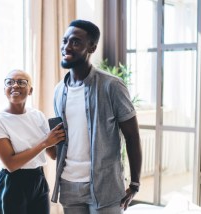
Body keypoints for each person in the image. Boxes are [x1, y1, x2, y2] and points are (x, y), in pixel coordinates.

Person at [50, 19, 142, 213]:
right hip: (69, 184)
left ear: (92, 47)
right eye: (65, 40)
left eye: (75, 42)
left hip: (105, 186)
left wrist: (134, 183)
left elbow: (132, 137)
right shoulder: (59, 91)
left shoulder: (112, 86)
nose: (67, 47)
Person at [0, 69, 66, 214]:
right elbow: (11, 164)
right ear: (4, 89)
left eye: (21, 82)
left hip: (38, 179)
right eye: (9, 82)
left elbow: (53, 154)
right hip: (12, 183)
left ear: (30, 90)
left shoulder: (37, 116)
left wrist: (63, 134)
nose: (15, 85)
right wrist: (45, 142)